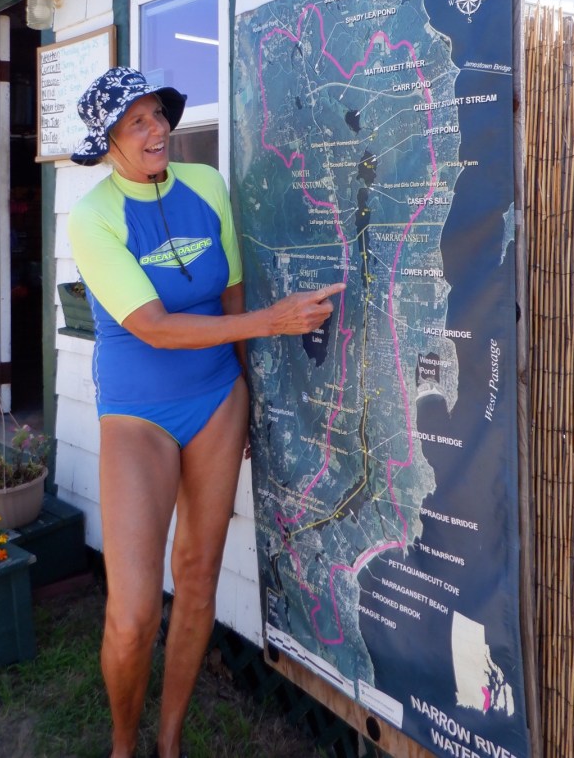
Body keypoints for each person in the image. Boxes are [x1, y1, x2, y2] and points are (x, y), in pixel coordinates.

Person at [67, 66, 343, 758]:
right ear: (107, 141)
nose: (157, 129)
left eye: (158, 114)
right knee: (132, 615)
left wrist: (244, 385)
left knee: (196, 580)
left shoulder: (206, 185)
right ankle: (123, 747)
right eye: (136, 122)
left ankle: (169, 743)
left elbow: (231, 291)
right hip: (138, 413)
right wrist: (274, 322)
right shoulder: (93, 216)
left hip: (218, 398)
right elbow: (154, 327)